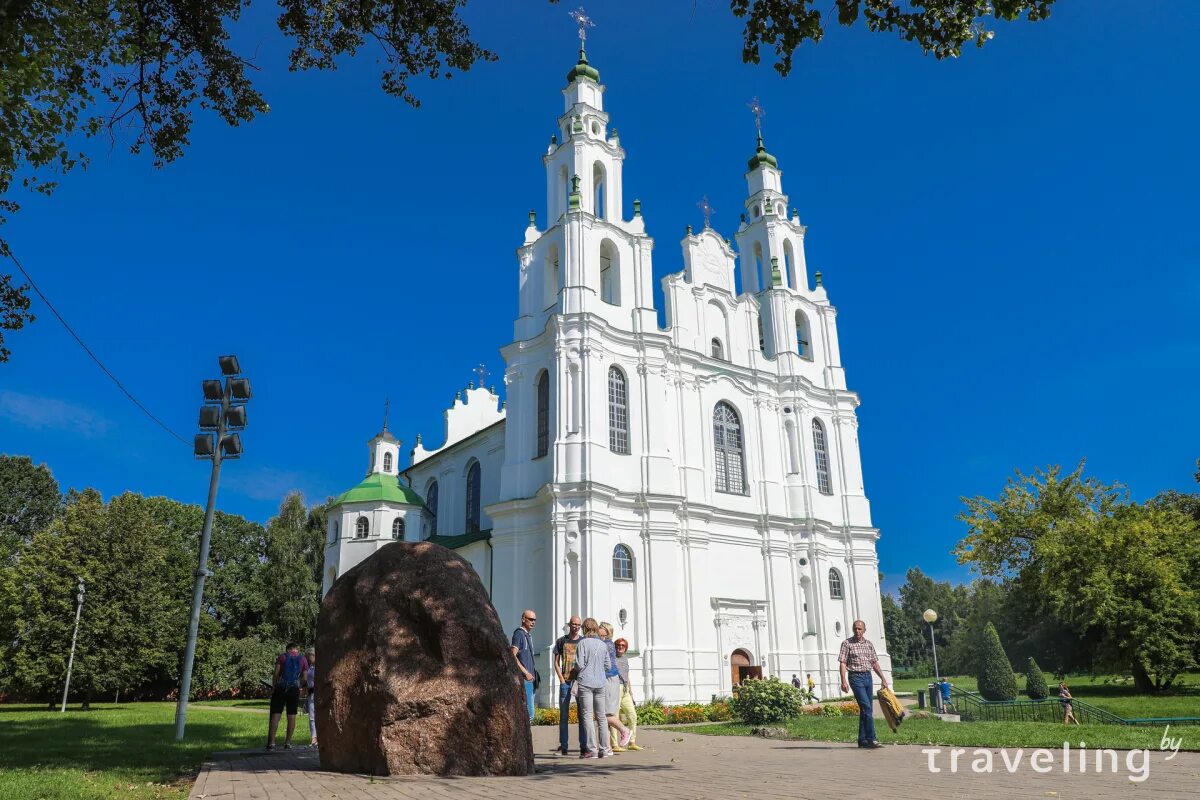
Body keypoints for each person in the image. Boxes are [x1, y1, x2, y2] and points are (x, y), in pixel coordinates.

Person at [838, 619, 889, 749]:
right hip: (855, 677)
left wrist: (883, 678)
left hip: (868, 677)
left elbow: (874, 662)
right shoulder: (847, 643)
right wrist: (843, 680)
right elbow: (843, 662)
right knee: (867, 708)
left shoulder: (869, 644)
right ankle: (872, 739)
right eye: (855, 628)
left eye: (860, 629)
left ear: (864, 630)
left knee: (866, 709)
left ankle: (862, 740)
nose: (857, 631)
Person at [575, 618, 612, 758]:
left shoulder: (582, 643)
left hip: (586, 682)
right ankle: (604, 749)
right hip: (601, 682)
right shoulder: (603, 645)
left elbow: (579, 664)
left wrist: (577, 671)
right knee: (601, 716)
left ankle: (592, 750)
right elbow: (608, 666)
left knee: (587, 716)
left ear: (585, 628)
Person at [552, 616, 586, 755]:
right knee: (564, 715)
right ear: (569, 624)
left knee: (582, 715)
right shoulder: (562, 641)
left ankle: (584, 746)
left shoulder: (583, 641)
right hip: (565, 681)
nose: (576, 626)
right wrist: (560, 678)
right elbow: (555, 661)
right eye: (574, 624)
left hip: (579, 682)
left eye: (578, 624)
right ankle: (563, 746)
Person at [267, 643, 309, 751]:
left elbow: (276, 673)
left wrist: (273, 686)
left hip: (280, 688)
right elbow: (304, 678)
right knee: (291, 716)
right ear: (297, 649)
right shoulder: (303, 659)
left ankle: (272, 743)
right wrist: (298, 685)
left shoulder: (282, 657)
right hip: (293, 689)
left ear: (287, 649)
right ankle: (288, 743)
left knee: (276, 715)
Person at [600, 622, 633, 749]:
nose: (598, 630)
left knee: (605, 714)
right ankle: (608, 746)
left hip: (608, 679)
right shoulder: (606, 644)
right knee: (604, 715)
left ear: (607, 631)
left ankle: (624, 730)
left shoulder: (607, 644)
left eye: (601, 628)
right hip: (608, 680)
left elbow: (607, 665)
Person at [609, 638, 642, 751]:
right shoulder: (612, 658)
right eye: (618, 645)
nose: (620, 647)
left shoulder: (625, 659)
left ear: (626, 647)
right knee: (615, 716)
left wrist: (630, 692)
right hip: (615, 688)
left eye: (623, 645)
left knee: (632, 715)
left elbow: (627, 676)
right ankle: (614, 744)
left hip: (625, 689)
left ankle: (632, 742)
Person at [511, 609, 538, 722]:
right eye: (531, 619)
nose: (533, 622)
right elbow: (512, 655)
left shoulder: (528, 635)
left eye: (534, 620)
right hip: (524, 679)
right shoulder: (519, 634)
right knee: (529, 715)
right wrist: (525, 673)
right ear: (523, 619)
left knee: (529, 715)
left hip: (531, 679)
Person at [304, 648, 317, 746]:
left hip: (317, 693)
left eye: (308, 657)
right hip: (310, 694)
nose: (307, 659)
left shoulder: (319, 667)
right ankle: (313, 737)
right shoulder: (310, 666)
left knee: (318, 715)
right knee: (311, 717)